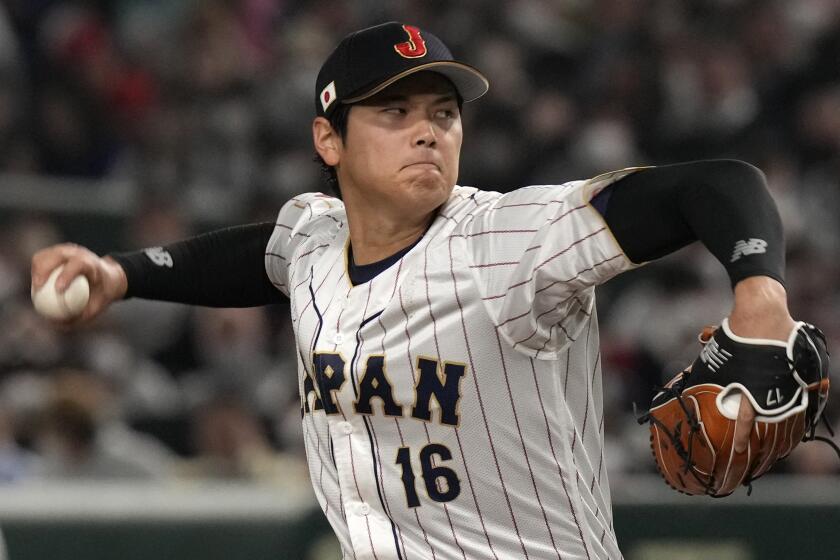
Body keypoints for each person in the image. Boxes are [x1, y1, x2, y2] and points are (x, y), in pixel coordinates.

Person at [31, 21, 801, 559]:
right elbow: (253, 257)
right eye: (394, 113)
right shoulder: (313, 237)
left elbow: (716, 183)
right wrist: (122, 274)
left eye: (442, 113)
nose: (428, 131)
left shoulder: (511, 241)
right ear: (327, 140)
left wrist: (759, 293)